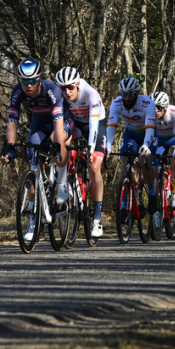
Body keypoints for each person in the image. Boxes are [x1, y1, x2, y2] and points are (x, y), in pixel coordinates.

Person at [0, 58, 72, 242]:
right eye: (24, 81)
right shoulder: (17, 92)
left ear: (40, 78)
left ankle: (62, 183)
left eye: (32, 80)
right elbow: (12, 120)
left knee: (57, 141)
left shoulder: (52, 90)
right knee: (33, 162)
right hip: (39, 123)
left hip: (60, 119)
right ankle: (34, 220)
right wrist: (10, 147)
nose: (28, 85)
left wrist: (56, 146)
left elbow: (58, 121)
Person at [54, 67, 107, 237]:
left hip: (95, 124)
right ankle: (64, 180)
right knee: (63, 140)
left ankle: (97, 218)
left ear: (77, 84)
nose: (67, 92)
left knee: (93, 166)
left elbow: (93, 126)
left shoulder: (90, 94)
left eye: (70, 87)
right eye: (63, 88)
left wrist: (91, 147)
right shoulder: (61, 95)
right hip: (76, 123)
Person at [106, 77, 156, 218]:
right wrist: (108, 145)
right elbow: (111, 127)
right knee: (125, 163)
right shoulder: (116, 103)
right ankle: (123, 204)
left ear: (137, 92)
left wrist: (146, 146)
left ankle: (152, 193)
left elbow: (150, 129)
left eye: (130, 94)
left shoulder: (147, 103)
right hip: (131, 135)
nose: (127, 98)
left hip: (148, 133)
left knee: (143, 161)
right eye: (124, 94)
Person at [141, 92, 175, 212]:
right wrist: (144, 148)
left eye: (159, 107)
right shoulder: (150, 114)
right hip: (159, 141)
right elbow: (148, 134)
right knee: (154, 170)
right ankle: (158, 205)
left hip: (173, 140)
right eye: (153, 107)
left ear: (166, 106)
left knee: (173, 154)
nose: (155, 111)